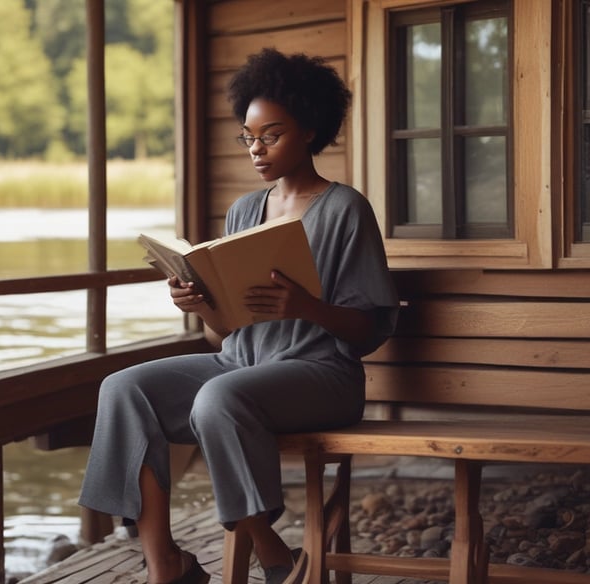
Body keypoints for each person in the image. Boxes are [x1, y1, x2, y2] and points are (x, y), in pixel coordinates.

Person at [78, 47, 398, 584]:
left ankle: (273, 554)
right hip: (241, 365)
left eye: (271, 135)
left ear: (310, 129)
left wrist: (307, 308)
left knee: (218, 399)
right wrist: (202, 303)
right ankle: (166, 565)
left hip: (322, 375)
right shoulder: (245, 211)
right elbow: (230, 332)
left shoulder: (346, 210)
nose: (257, 148)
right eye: (248, 137)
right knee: (122, 389)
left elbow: (370, 330)